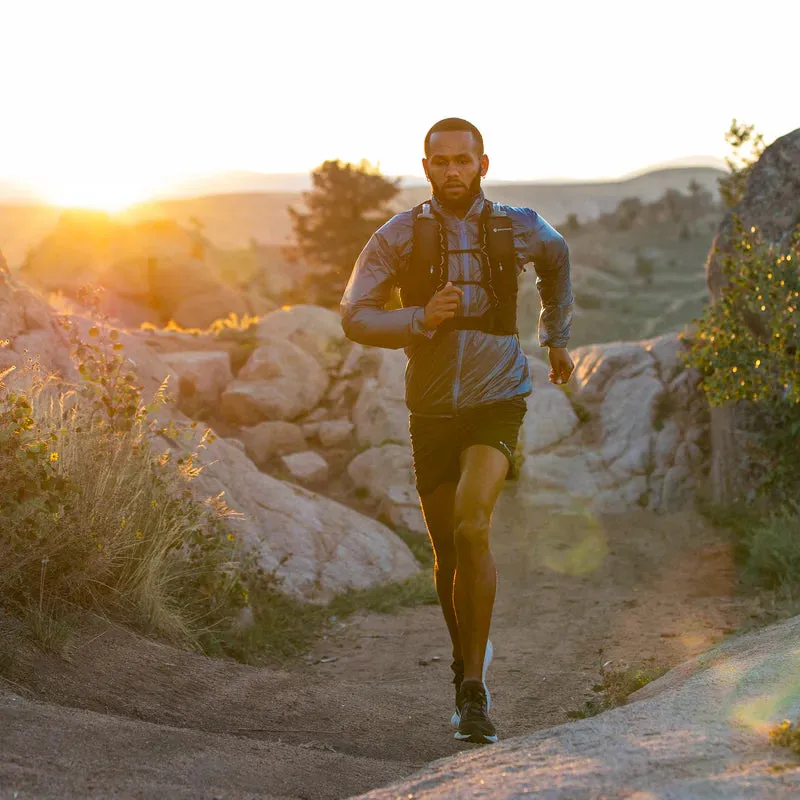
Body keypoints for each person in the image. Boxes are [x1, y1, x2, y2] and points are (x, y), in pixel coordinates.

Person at [340, 118, 574, 744]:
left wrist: (556, 339)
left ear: (482, 163)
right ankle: (463, 661)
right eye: (439, 161)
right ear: (426, 167)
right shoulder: (397, 235)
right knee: (447, 553)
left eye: (462, 160)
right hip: (431, 409)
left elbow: (557, 259)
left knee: (474, 525)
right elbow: (355, 316)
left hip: (498, 398)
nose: (452, 171)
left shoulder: (519, 224)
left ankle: (474, 690)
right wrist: (419, 317)